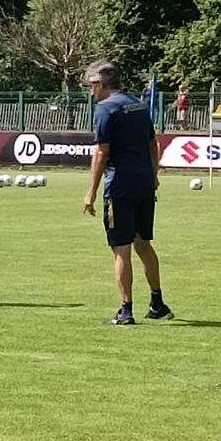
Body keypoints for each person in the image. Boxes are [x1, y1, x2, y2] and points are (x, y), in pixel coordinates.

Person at [82, 59, 172, 326]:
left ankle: (125, 310)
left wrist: (90, 192)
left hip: (119, 186)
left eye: (90, 86)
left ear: (99, 83)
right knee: (143, 243)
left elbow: (101, 152)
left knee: (121, 248)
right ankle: (157, 303)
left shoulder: (105, 109)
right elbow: (152, 143)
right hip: (144, 183)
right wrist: (153, 176)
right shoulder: (139, 104)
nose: (89, 91)